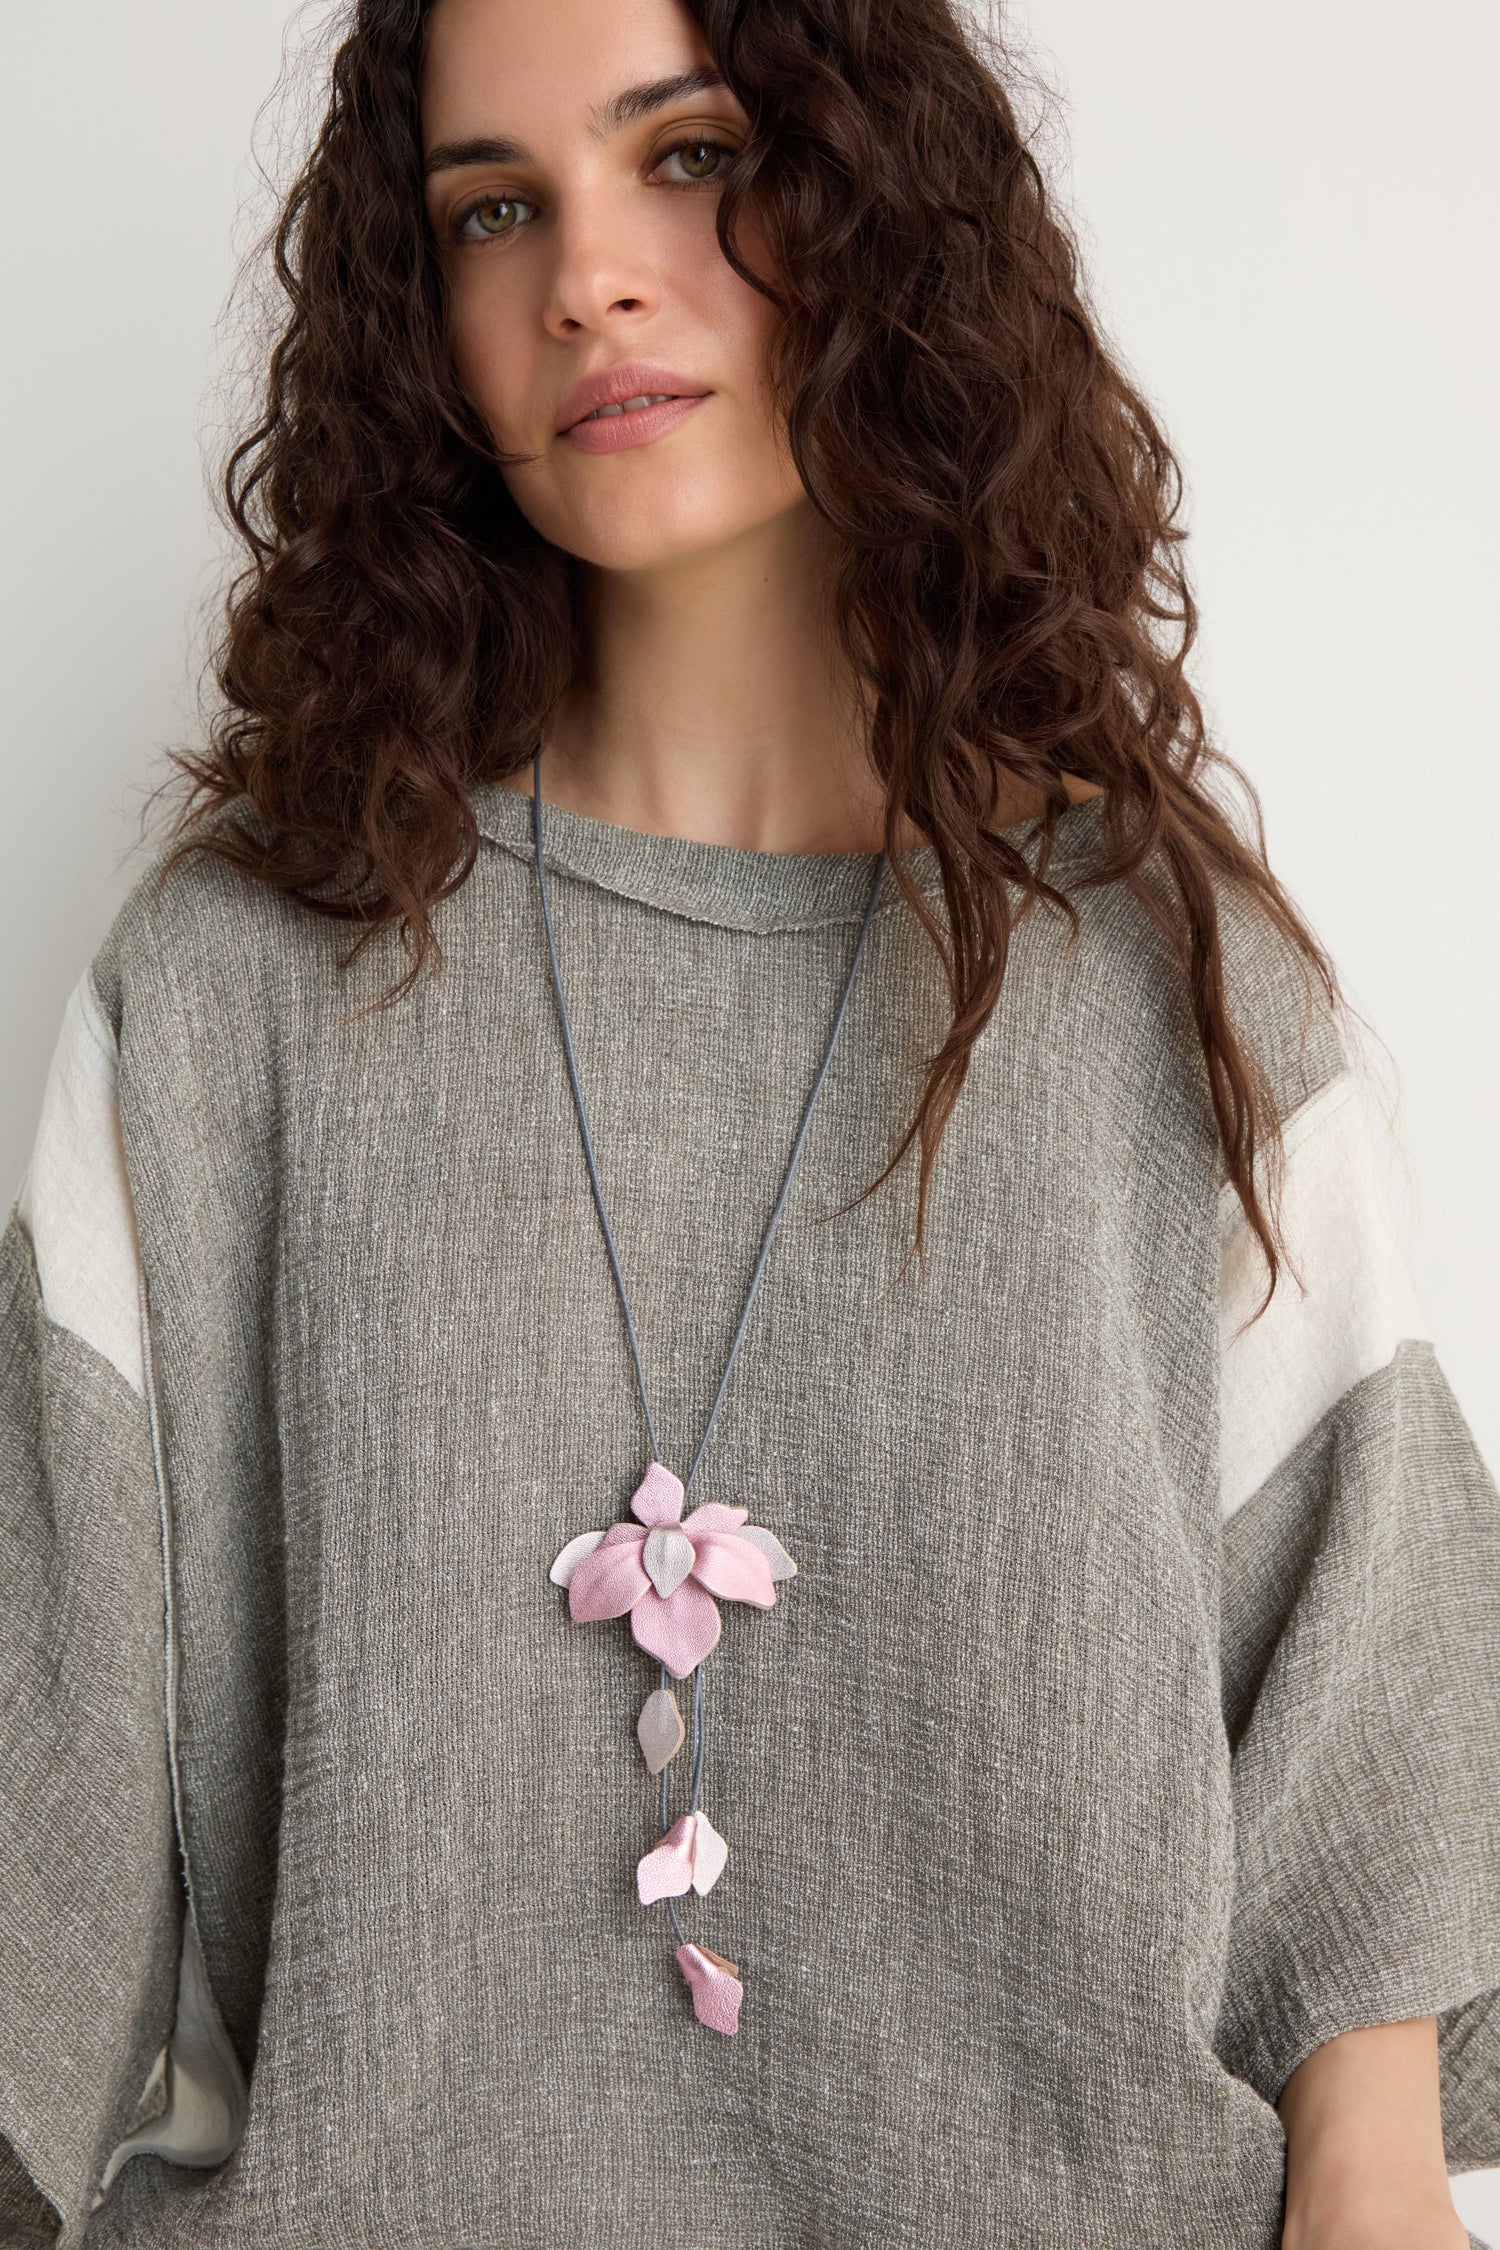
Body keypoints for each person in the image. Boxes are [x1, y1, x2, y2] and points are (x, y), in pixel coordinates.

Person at [2, 0, 1496, 2243]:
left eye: (686, 157)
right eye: (493, 208)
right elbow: (46, 1831)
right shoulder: (236, 996)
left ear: (880, 204)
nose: (585, 271)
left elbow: (1373, 1835)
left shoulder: (1166, 1001)